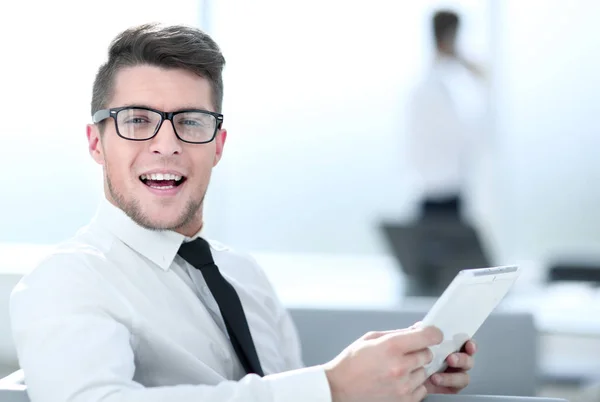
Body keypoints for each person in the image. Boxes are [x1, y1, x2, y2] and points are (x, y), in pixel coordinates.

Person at [10, 23, 476, 402]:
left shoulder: (244, 275)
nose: (166, 143)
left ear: (218, 146)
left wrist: (391, 378)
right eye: (137, 120)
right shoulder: (67, 280)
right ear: (96, 143)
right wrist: (331, 387)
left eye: (191, 122)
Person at [407, 9, 486, 221]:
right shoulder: (436, 89)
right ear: (450, 39)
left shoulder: (431, 86)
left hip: (436, 194)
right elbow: (468, 138)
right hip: (442, 198)